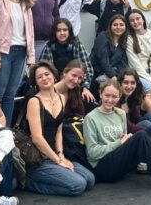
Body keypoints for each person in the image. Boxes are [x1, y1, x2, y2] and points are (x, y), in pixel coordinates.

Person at [20, 61, 96, 196]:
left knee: (89, 179)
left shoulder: (61, 98)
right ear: (36, 82)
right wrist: (58, 161)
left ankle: (55, 171)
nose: (44, 78)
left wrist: (61, 155)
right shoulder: (34, 101)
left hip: (55, 154)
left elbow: (59, 131)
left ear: (54, 76)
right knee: (78, 185)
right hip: (38, 158)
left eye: (47, 74)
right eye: (39, 77)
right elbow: (37, 138)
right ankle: (27, 182)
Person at [39, 19, 94, 92]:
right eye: (58, 30)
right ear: (54, 32)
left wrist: (85, 87)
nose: (62, 33)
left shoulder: (77, 46)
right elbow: (41, 69)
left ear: (69, 32)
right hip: (54, 85)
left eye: (65, 30)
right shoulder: (49, 47)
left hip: (74, 84)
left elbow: (88, 69)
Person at [91, 14, 129, 89]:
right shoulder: (102, 37)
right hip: (97, 74)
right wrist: (113, 76)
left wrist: (119, 76)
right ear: (110, 26)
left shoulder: (123, 42)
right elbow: (103, 60)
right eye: (115, 25)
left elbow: (123, 63)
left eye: (121, 25)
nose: (118, 27)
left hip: (113, 74)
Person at [124, 9, 151, 90]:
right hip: (137, 74)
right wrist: (149, 79)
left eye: (138, 18)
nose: (135, 22)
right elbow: (134, 63)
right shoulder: (129, 38)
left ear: (143, 19)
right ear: (129, 23)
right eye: (132, 20)